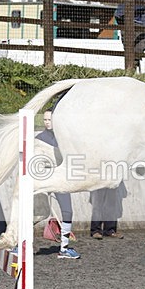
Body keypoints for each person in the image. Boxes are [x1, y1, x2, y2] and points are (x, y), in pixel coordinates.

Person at [37, 110, 80, 259]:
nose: (47, 122)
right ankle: (18, 244)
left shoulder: (65, 139)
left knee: (67, 211)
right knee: (35, 214)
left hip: (60, 179)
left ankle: (64, 247)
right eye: (45, 119)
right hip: (43, 179)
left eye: (50, 119)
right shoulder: (39, 138)